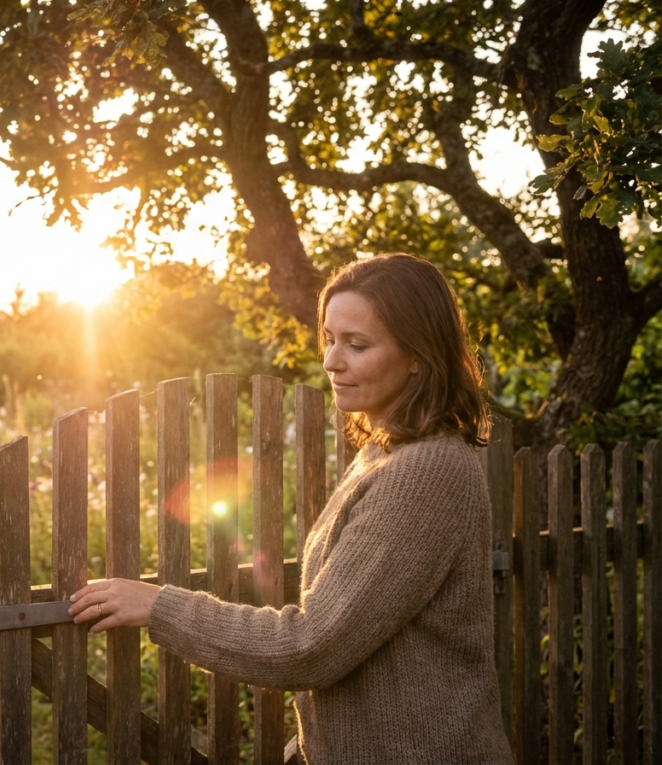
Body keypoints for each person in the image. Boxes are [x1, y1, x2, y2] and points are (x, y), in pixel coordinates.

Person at [69, 253, 514, 764]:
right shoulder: (386, 451)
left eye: (357, 344)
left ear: (418, 355)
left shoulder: (423, 472)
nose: (330, 361)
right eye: (329, 338)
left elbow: (312, 645)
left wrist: (159, 606)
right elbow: (360, 635)